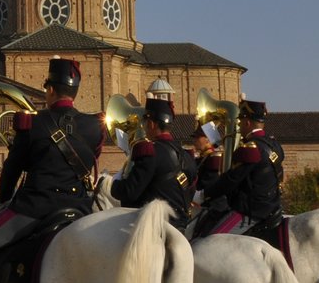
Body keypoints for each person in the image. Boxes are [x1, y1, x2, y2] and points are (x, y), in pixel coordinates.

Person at [0, 57, 103, 261]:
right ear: (75, 92)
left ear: (49, 90)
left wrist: (3, 199)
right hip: (79, 208)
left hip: (35, 207)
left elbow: (12, 168)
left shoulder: (31, 122)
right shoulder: (95, 126)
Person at [195, 99, 284, 244]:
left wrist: (204, 195)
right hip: (272, 205)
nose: (239, 126)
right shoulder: (274, 144)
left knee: (210, 242)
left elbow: (231, 180)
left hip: (251, 210)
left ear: (247, 123)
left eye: (240, 122)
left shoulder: (250, 148)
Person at [109, 98, 195, 226]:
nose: (143, 126)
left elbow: (130, 192)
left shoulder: (149, 152)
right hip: (181, 225)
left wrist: (110, 185)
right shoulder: (187, 156)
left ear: (152, 124)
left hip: (153, 226)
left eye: (144, 122)